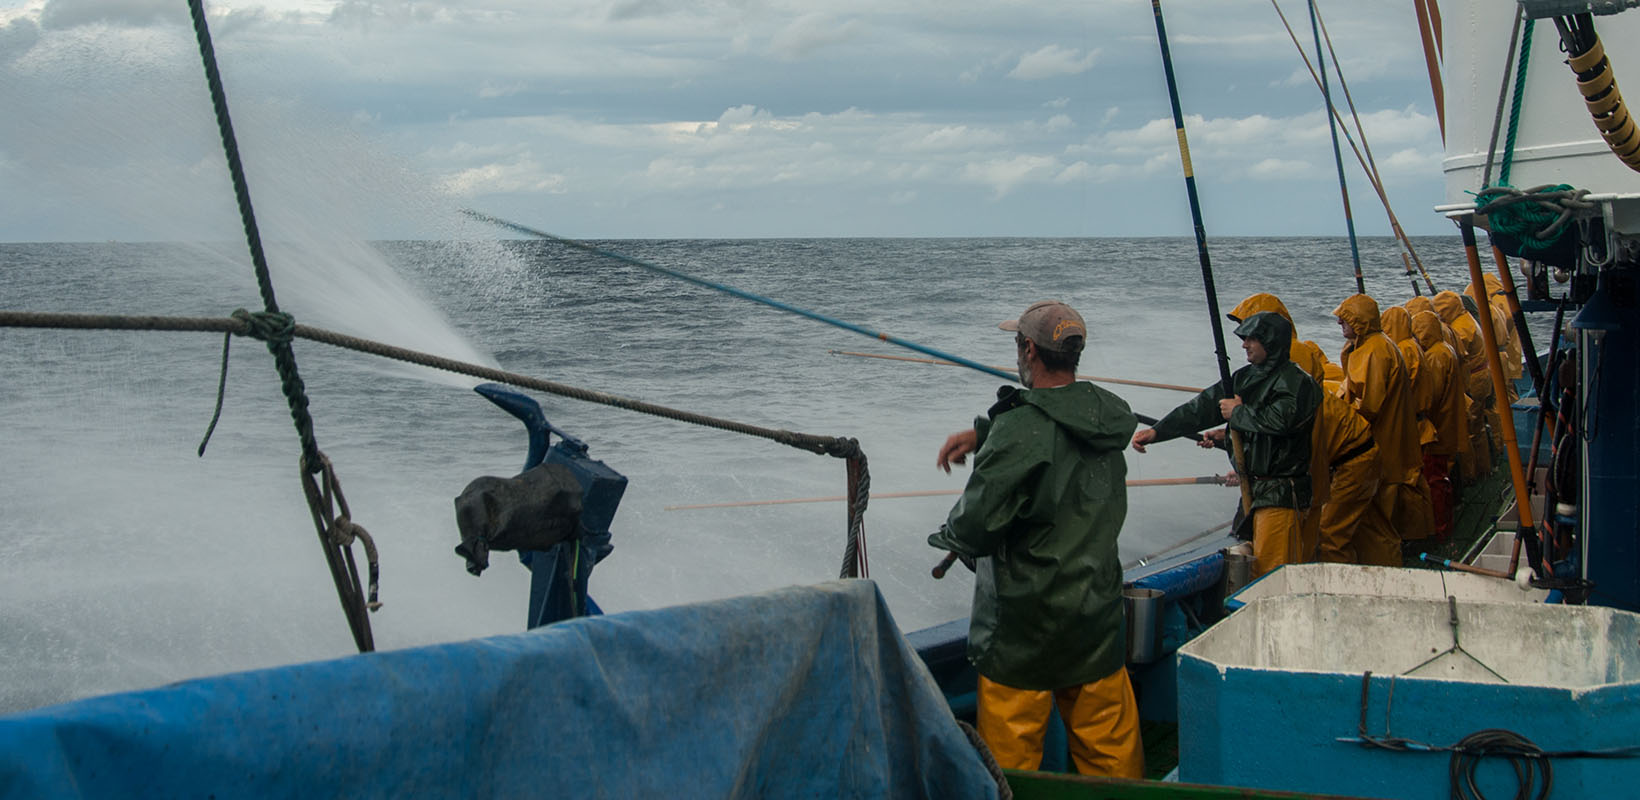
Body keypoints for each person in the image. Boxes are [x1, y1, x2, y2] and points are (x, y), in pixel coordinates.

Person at [928, 300, 1143, 778]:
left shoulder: (1018, 428)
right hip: (1095, 620)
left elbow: (974, 525)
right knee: (1113, 761)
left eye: (1017, 345)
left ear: (1028, 349)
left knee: (1011, 767)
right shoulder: (1107, 416)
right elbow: (1056, 434)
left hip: (1022, 634)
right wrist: (987, 433)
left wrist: (947, 537)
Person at [1132, 311, 1320, 577]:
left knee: (1273, 574)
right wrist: (1157, 432)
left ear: (1271, 342)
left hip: (1281, 496)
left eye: (1251, 339)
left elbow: (1282, 422)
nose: (1244, 345)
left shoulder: (1299, 383)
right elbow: (1202, 408)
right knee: (1255, 566)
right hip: (1254, 492)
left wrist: (1238, 414)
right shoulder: (1247, 377)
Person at [1334, 293, 1433, 545]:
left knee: (1380, 511)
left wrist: (1335, 419)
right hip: (1390, 435)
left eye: (1344, 319)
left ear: (1359, 322)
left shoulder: (1375, 351)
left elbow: (1369, 405)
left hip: (1382, 439)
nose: (1339, 324)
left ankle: (1388, 553)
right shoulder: (1375, 345)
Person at [1412, 310, 1468, 536]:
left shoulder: (1435, 357)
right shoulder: (1447, 349)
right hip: (1448, 423)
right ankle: (1445, 523)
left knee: (1434, 481)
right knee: (1442, 478)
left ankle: (1439, 529)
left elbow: (1429, 397)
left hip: (1437, 430)